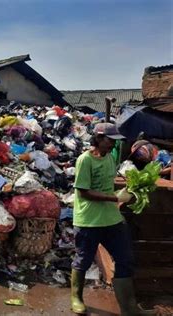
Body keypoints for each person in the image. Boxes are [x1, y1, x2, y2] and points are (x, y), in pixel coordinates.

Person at [71, 123, 154, 315]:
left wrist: (127, 191)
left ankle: (129, 308)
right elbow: (84, 192)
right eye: (110, 140)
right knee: (83, 260)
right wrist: (115, 198)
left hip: (111, 218)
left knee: (125, 259)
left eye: (116, 141)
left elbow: (107, 187)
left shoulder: (109, 158)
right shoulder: (85, 160)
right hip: (88, 220)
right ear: (98, 138)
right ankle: (76, 298)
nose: (113, 145)